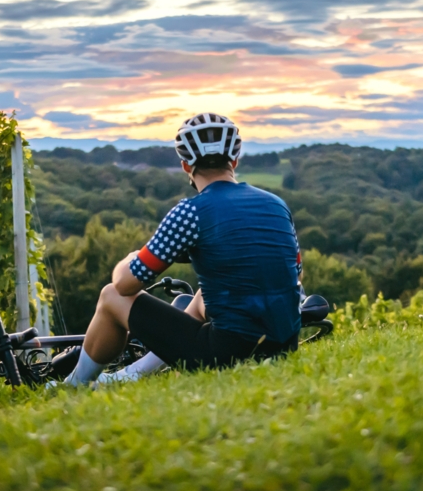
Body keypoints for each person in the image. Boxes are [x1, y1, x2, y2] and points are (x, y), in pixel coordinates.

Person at [63, 112, 303, 386]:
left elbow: (124, 286)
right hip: (283, 347)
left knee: (110, 296)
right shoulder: (276, 205)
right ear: (235, 160)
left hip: (227, 354)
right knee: (204, 295)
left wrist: (129, 259)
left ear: (186, 166)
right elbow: (294, 275)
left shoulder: (190, 212)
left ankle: (74, 385)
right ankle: (134, 373)